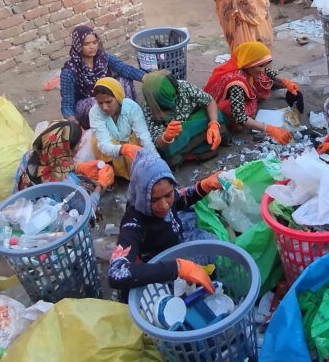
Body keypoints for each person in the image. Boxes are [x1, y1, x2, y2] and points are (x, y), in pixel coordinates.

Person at [107, 150, 224, 303]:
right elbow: (116, 273)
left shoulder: (169, 198)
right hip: (157, 270)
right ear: (142, 194)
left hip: (174, 247)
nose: (163, 205)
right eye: (154, 199)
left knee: (210, 239)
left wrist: (205, 185)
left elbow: (181, 199)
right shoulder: (134, 222)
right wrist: (178, 268)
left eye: (168, 195)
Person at [204, 41, 297, 145]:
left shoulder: (245, 65)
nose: (262, 70)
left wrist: (285, 82)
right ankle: (229, 126)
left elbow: (266, 71)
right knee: (234, 109)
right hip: (220, 108)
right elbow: (239, 116)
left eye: (263, 66)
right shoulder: (236, 83)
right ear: (248, 64)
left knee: (262, 77)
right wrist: (269, 128)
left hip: (240, 89)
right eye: (260, 66)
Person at [14, 119, 115, 210]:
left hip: (19, 208)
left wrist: (78, 166)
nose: (80, 146)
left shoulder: (29, 156)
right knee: (88, 185)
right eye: (78, 143)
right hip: (47, 223)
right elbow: (86, 211)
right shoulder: (66, 183)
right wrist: (101, 185)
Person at [60, 24, 147, 129]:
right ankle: (107, 128)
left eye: (94, 42)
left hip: (107, 98)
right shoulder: (69, 71)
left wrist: (145, 77)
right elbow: (67, 103)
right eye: (86, 44)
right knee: (94, 102)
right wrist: (72, 120)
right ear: (78, 45)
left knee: (124, 80)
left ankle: (128, 118)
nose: (92, 47)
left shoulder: (103, 58)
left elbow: (124, 68)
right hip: (89, 106)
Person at [141, 70, 229, 168]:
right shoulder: (150, 108)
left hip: (194, 121)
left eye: (174, 96)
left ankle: (197, 148)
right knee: (168, 149)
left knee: (217, 116)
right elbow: (157, 141)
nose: (173, 102)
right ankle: (193, 153)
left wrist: (213, 125)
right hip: (178, 135)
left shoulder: (183, 87)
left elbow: (209, 101)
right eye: (168, 100)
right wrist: (166, 137)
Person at [89, 77, 159, 180]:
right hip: (112, 148)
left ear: (118, 98)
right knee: (96, 142)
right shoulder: (95, 113)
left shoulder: (132, 107)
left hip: (130, 146)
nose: (104, 107)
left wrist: (157, 160)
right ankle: (110, 174)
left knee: (138, 137)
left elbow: (144, 136)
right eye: (100, 103)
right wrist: (123, 149)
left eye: (108, 102)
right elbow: (104, 144)